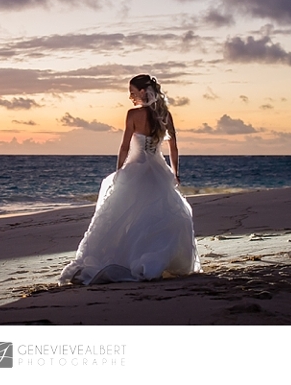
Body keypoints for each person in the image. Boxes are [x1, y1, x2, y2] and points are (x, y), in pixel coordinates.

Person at [59, 74, 201, 285]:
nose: (130, 97)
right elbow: (174, 146)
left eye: (133, 92)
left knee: (128, 217)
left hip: (136, 170)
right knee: (156, 216)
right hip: (158, 171)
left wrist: (119, 171)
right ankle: (156, 257)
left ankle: (127, 257)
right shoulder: (164, 115)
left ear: (143, 92)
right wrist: (175, 172)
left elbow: (125, 146)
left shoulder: (133, 115)